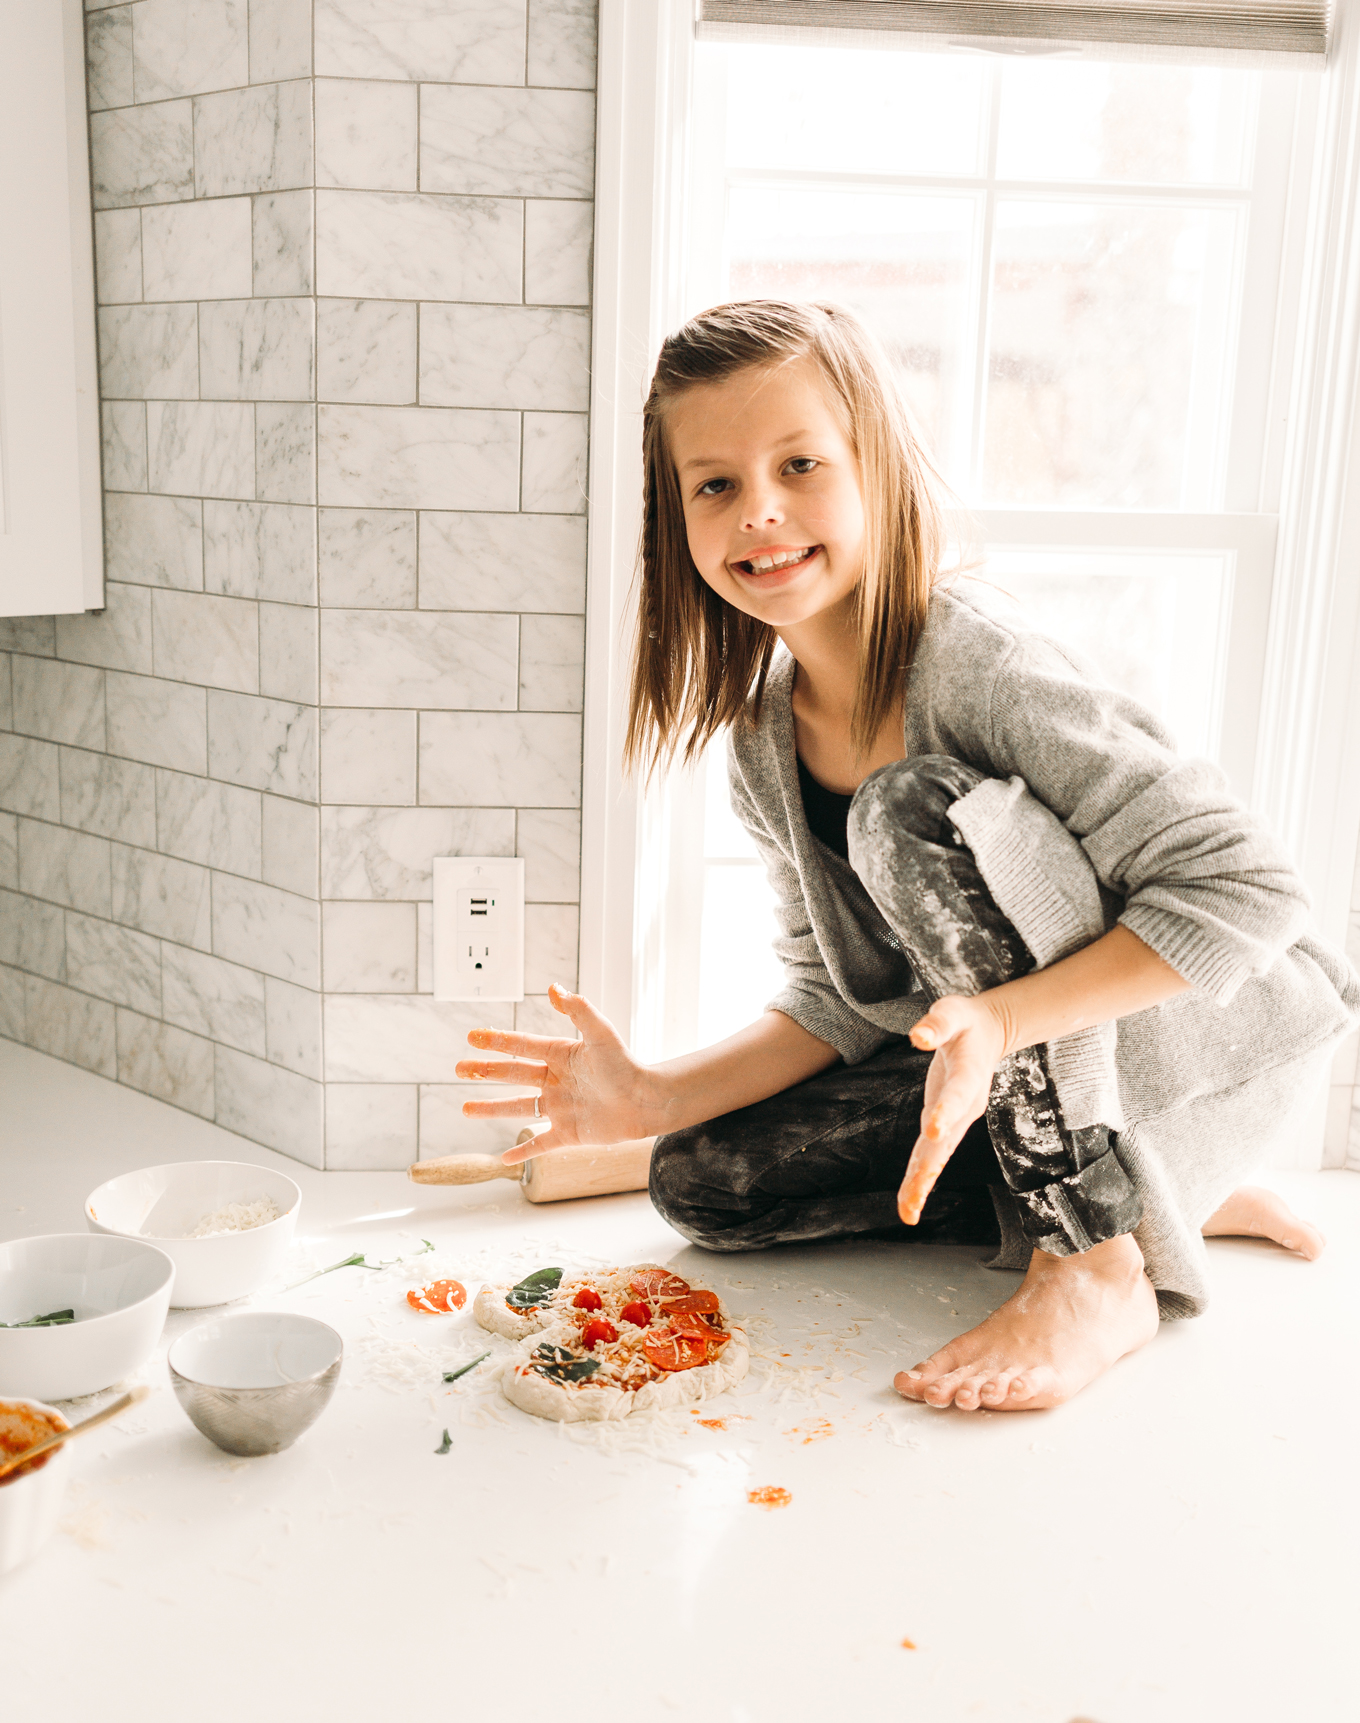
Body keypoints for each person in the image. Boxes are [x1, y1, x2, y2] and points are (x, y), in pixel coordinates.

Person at [456, 300, 1359, 1413]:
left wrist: (1003, 1020)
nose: (761, 512)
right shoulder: (761, 738)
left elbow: (1251, 890)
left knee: (904, 810)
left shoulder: (975, 663)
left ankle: (1096, 1260)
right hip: (1022, 1070)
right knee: (706, 1186)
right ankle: (1167, 1187)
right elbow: (833, 1005)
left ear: (874, 470)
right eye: (716, 485)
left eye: (799, 463)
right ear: (674, 519)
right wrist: (650, 1093)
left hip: (1209, 1036)